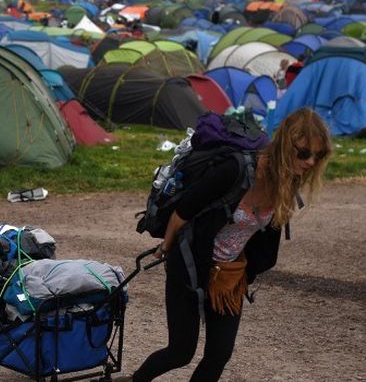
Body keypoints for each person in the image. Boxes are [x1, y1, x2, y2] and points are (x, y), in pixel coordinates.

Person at [117, 107, 332, 382]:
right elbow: (183, 212)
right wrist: (166, 247)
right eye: (304, 153)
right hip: (192, 264)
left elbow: (265, 237)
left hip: (229, 277)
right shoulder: (235, 169)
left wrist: (251, 268)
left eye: (318, 155)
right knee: (180, 352)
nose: (310, 162)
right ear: (284, 144)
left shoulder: (286, 184)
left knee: (219, 354)